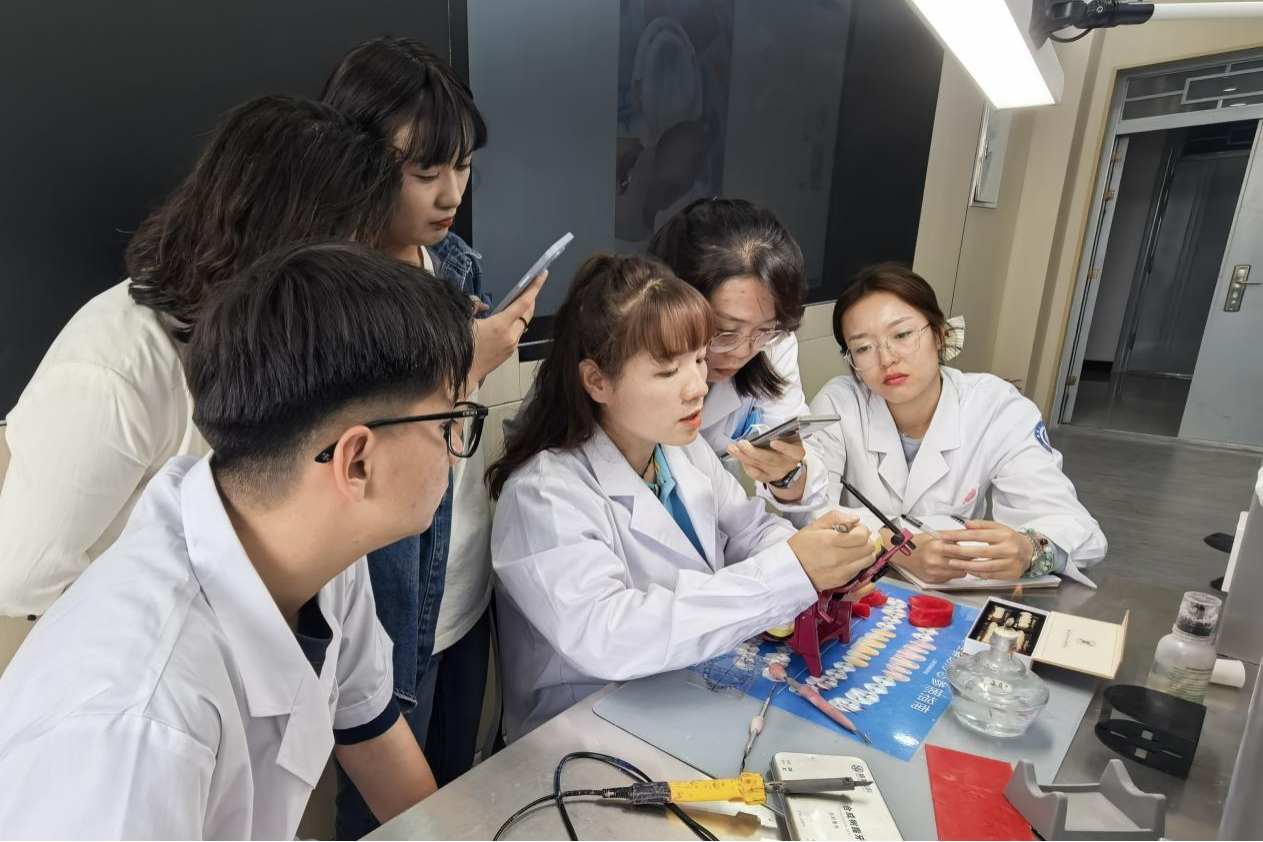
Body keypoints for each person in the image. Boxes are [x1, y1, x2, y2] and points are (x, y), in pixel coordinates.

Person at [0, 242, 482, 838]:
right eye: (448, 422)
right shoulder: (139, 725)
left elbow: (374, 735)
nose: (455, 449)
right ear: (356, 460)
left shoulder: (320, 554)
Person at [0, 95, 400, 618]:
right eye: (343, 250)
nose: (351, 277)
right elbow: (20, 579)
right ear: (277, 234)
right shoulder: (112, 372)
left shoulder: (279, 337)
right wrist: (186, 634)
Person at [487, 253, 878, 741]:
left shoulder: (678, 448)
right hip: (582, 727)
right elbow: (610, 637)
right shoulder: (544, 495)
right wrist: (791, 573)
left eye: (698, 359)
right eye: (668, 371)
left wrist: (822, 565)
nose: (697, 387)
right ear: (597, 381)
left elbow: (749, 529)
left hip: (679, 695)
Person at [321, 37, 541, 822]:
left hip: (463, 580)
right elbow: (341, 459)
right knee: (386, 814)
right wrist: (464, 369)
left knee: (456, 792)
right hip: (385, 597)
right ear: (356, 160)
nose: (450, 194)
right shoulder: (322, 290)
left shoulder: (454, 265)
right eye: (425, 173)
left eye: (463, 166)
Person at [802, 263, 1106, 585]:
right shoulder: (838, 404)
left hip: (955, 589)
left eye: (902, 335)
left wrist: (1030, 549)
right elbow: (810, 514)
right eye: (863, 348)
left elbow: (1075, 526)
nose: (886, 359)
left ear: (940, 334)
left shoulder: (995, 407)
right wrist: (894, 546)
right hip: (859, 589)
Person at [647, 197, 828, 513]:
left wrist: (787, 473)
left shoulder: (771, 346)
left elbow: (800, 470)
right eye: (724, 331)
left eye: (765, 330)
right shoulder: (630, 365)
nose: (744, 351)